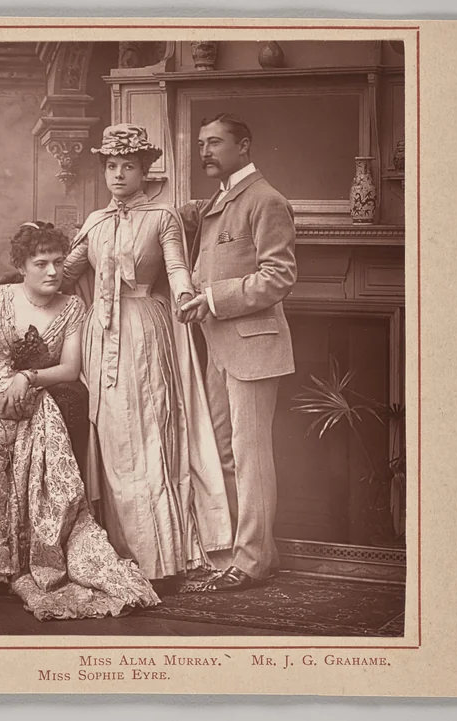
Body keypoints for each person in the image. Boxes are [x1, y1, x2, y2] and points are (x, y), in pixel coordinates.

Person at [0, 221, 159, 620]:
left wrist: (29, 377)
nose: (52, 272)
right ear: (21, 266)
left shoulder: (73, 307)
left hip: (36, 401)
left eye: (59, 262)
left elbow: (71, 368)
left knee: (45, 471)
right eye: (40, 263)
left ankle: (32, 558)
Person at [63, 124, 232, 586]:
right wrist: (8, 280)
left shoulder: (162, 217)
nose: (118, 174)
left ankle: (160, 556)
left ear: (144, 171)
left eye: (128, 166)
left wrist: (183, 297)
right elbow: (64, 271)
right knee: (114, 436)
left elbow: (176, 267)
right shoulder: (95, 221)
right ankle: (120, 550)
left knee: (150, 429)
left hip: (143, 328)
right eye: (111, 166)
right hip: (102, 332)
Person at [178, 113, 297, 592]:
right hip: (219, 348)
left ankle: (254, 561)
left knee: (249, 456)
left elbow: (278, 276)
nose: (205, 151)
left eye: (216, 142)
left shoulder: (266, 200)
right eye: (202, 143)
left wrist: (210, 299)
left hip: (254, 347)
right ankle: (233, 551)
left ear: (244, 146)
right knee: (224, 452)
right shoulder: (219, 200)